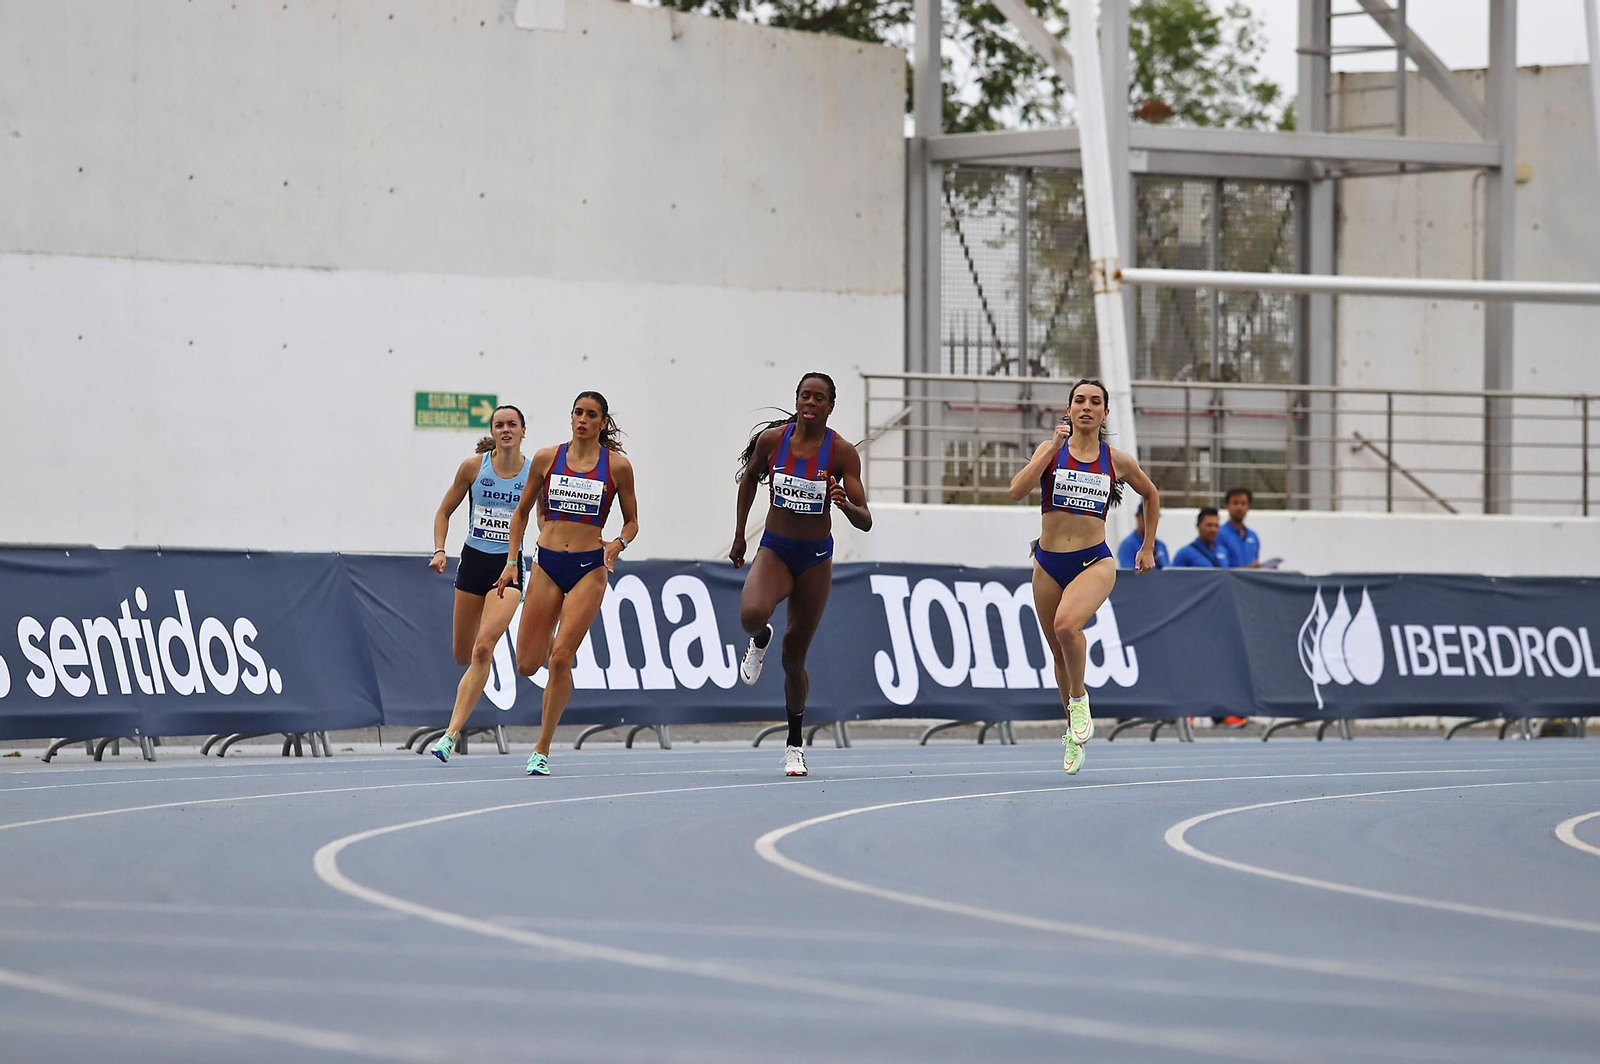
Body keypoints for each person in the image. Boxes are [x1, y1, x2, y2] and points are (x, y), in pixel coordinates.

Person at [1008, 379, 1159, 775]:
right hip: (1047, 563)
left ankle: (1079, 700)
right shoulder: (1050, 451)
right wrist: (1050, 452)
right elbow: (1016, 491)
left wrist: (1147, 546)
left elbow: (1152, 493)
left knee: (1066, 625)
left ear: (1105, 413)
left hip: (1094, 561)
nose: (1087, 407)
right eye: (1079, 401)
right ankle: (1073, 735)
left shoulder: (1117, 460)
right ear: (1069, 409)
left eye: (1095, 402)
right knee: (1059, 653)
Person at [731, 372, 872, 778]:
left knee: (795, 657)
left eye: (819, 398)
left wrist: (843, 503)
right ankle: (759, 639)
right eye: (804, 396)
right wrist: (740, 534)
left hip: (813, 561)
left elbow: (865, 521)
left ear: (830, 406)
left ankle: (795, 745)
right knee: (751, 614)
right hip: (775, 550)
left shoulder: (842, 453)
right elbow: (749, 480)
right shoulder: (773, 442)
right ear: (796, 400)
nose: (810, 403)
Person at [492, 391, 639, 776]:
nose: (583, 420)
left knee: (560, 657)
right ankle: (557, 673)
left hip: (590, 567)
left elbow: (631, 521)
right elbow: (522, 512)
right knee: (527, 663)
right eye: (578, 412)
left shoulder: (618, 466)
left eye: (591, 415)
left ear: (603, 422)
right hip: (547, 563)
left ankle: (541, 749)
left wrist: (618, 544)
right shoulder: (546, 458)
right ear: (571, 417)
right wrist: (511, 562)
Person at [428, 405, 530, 762]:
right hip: (473, 563)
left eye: (511, 425)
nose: (505, 430)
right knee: (463, 653)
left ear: (522, 431)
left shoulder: (535, 473)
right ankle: (480, 664)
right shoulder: (473, 468)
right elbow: (443, 512)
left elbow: (546, 523)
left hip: (510, 568)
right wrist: (440, 550)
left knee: (482, 648)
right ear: (493, 431)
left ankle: (449, 735)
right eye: (499, 425)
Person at [1218, 487, 1262, 569]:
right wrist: (1247, 569)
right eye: (1235, 503)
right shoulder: (1219, 534)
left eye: (1243, 503)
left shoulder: (1253, 536)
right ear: (1227, 506)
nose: (1239, 507)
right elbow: (1222, 569)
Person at [1116, 501, 1168, 570]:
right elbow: (1129, 575)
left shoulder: (1161, 545)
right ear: (1137, 517)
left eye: (1153, 518)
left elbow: (1167, 571)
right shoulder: (1128, 544)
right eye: (1145, 517)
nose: (1149, 521)